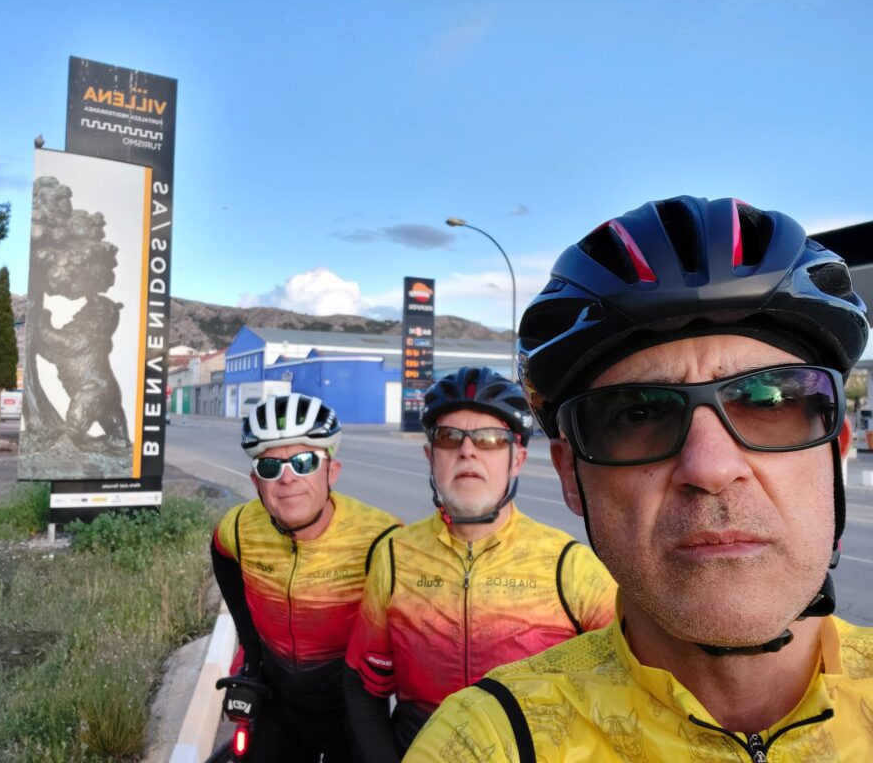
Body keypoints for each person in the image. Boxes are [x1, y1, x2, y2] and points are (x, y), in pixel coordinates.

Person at [404, 196, 873, 762]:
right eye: (637, 414)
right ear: (570, 476)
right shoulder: (491, 739)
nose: (711, 469)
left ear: (836, 450)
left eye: (769, 401)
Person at [345, 367, 616, 761]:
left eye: (490, 439)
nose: (467, 451)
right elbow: (363, 683)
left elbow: (626, 691)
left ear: (517, 459)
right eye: (448, 437)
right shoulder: (394, 556)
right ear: (430, 457)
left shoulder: (569, 565)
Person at [211, 393, 401, 763]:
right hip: (278, 705)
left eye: (304, 462)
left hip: (353, 711)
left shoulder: (382, 538)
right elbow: (221, 554)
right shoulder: (238, 527)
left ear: (332, 471)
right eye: (270, 467)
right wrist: (251, 650)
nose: (287, 479)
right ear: (256, 481)